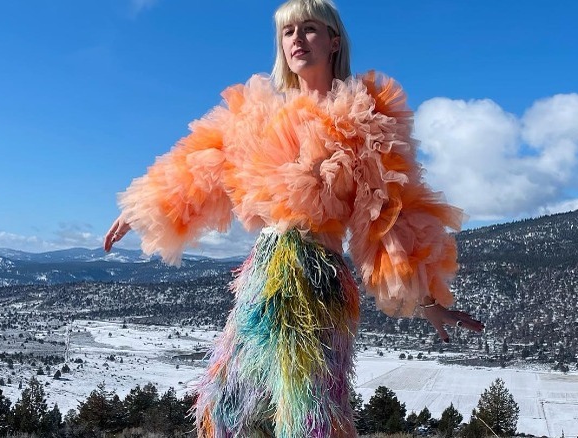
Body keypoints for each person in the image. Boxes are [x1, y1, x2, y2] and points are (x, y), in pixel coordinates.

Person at [104, 0, 483, 436]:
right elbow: (200, 164)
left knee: (309, 418)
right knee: (227, 411)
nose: (297, 40)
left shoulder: (365, 118)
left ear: (334, 40)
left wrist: (427, 299)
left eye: (309, 29)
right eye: (287, 32)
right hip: (262, 279)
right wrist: (143, 207)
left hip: (315, 282)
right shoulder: (258, 116)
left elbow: (391, 211)